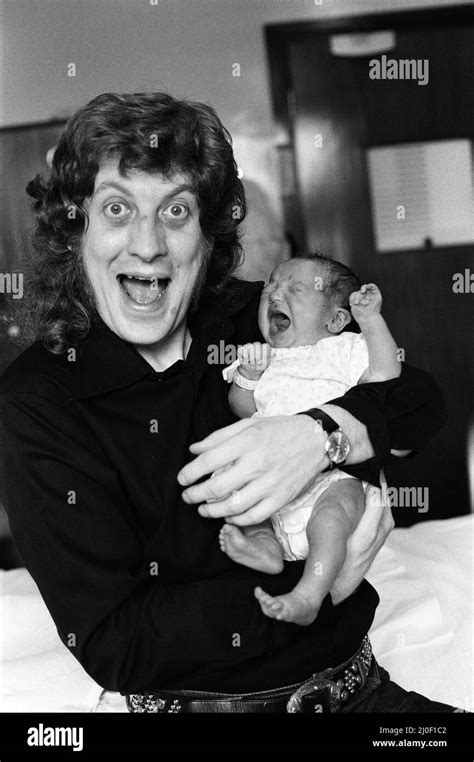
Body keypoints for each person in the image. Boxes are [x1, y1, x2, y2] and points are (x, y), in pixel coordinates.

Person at [0, 91, 454, 713]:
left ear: (208, 236)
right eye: (116, 209)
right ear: (76, 228)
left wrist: (320, 434)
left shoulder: (254, 317)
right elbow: (114, 643)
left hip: (360, 697)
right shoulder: (39, 400)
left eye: (176, 212)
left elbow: (420, 402)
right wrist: (316, 583)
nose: (148, 244)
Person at [219, 255, 400, 627]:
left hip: (332, 480)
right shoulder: (262, 357)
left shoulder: (344, 349)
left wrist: (371, 320)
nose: (274, 293)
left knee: (331, 520)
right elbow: (242, 407)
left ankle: (309, 595)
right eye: (270, 285)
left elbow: (385, 374)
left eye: (294, 288)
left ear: (335, 319)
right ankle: (266, 548)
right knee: (243, 502)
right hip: (274, 486)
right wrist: (249, 376)